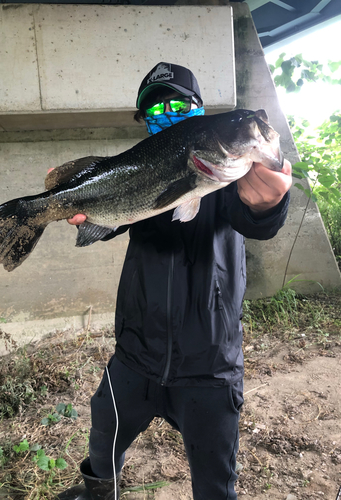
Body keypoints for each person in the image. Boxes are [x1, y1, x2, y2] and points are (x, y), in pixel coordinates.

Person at [57, 62, 292, 500]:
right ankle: (95, 491)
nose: (165, 112)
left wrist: (270, 203)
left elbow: (258, 219)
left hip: (209, 366)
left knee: (215, 482)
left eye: (177, 103)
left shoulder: (231, 178)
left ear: (200, 110)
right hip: (134, 356)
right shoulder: (144, 166)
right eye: (154, 109)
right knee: (103, 435)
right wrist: (89, 216)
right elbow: (111, 221)